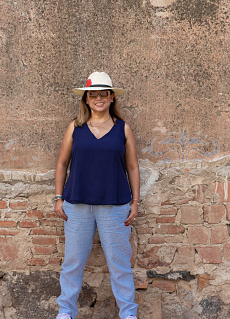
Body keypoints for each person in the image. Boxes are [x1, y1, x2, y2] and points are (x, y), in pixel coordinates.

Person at [53, 72, 140, 319]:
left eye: (104, 93)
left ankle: (128, 314)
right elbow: (62, 163)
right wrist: (58, 197)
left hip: (115, 206)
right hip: (76, 205)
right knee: (72, 264)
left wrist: (135, 201)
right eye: (93, 94)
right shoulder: (75, 127)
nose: (99, 98)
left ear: (112, 97)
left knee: (119, 265)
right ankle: (65, 312)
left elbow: (133, 167)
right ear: (87, 99)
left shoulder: (123, 129)